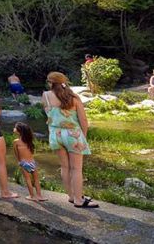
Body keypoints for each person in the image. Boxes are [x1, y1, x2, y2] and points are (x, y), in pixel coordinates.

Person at [43, 71, 98, 208]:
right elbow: (83, 120)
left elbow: (49, 116)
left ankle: (72, 196)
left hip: (56, 134)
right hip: (73, 134)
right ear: (64, 82)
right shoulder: (74, 97)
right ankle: (79, 200)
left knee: (65, 166)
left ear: (50, 83)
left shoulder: (45, 96)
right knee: (76, 169)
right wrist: (83, 136)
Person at [12, 122, 47, 202]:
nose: (13, 129)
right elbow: (32, 152)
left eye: (15, 128)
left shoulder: (16, 142)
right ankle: (40, 196)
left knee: (28, 179)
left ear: (19, 131)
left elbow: (16, 154)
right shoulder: (29, 140)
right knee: (36, 179)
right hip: (32, 162)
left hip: (23, 163)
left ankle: (32, 196)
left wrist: (19, 162)